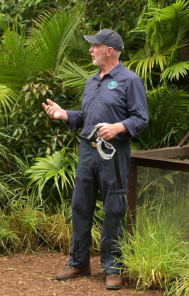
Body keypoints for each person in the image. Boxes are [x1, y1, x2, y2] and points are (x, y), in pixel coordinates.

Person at [42, 29, 148, 291]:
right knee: (80, 205)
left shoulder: (130, 80)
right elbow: (87, 117)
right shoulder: (92, 81)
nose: (90, 50)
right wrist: (65, 114)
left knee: (113, 208)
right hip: (87, 150)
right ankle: (79, 261)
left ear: (109, 50)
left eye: (95, 46)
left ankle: (113, 267)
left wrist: (118, 127)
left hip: (113, 152)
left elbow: (141, 118)